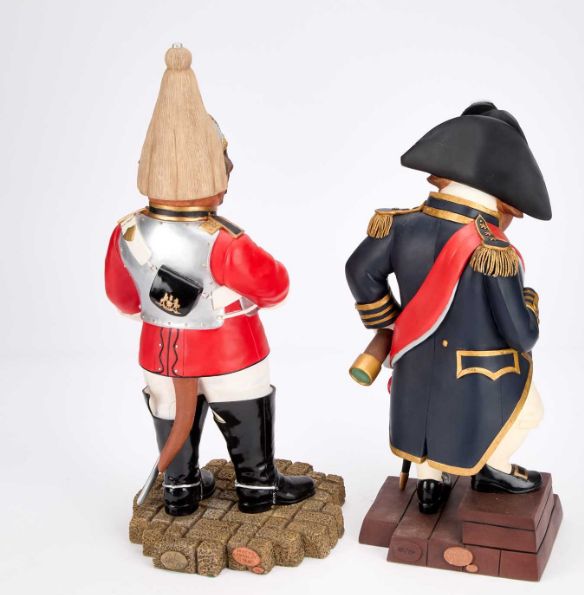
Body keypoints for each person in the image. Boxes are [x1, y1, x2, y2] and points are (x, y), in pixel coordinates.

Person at [105, 44, 314, 516]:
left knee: (169, 408)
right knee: (244, 408)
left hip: (160, 353)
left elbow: (121, 298)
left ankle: (179, 488)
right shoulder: (224, 240)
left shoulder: (127, 231)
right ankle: (258, 487)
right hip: (229, 351)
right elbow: (275, 287)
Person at [345, 102, 550, 514]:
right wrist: (530, 301)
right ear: (505, 198)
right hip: (479, 371)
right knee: (530, 412)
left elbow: (359, 270)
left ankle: (430, 483)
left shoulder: (399, 225)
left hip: (414, 359)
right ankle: (492, 467)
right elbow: (522, 335)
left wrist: (392, 323)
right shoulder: (494, 250)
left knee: (424, 411)